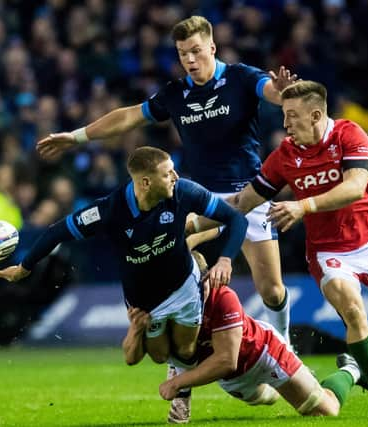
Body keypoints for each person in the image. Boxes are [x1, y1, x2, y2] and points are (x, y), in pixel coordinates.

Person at [36, 15, 296, 343]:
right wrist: (75, 138)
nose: (189, 59)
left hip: (250, 194)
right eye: (182, 53)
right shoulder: (175, 94)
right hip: (200, 198)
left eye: (196, 51)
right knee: (172, 254)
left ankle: (285, 344)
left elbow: (270, 89)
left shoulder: (240, 78)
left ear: (212, 48)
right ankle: (178, 358)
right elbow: (128, 116)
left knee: (272, 290)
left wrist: (284, 91)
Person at [194, 80, 368, 417]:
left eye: (292, 116)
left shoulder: (349, 135)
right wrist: (194, 225)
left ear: (315, 115)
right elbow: (242, 201)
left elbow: (355, 187)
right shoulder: (285, 155)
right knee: (353, 312)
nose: (285, 124)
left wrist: (303, 207)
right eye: (283, 115)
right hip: (329, 253)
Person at [0, 146, 248, 365]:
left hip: (182, 282)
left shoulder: (184, 191)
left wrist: (225, 260)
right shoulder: (109, 210)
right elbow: (57, 231)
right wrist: (24, 267)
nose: (175, 177)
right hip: (144, 296)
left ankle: (191, 239)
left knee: (186, 351)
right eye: (167, 173)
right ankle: (190, 233)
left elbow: (235, 218)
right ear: (145, 182)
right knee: (158, 356)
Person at [125, 251, 368, 423]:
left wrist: (178, 383)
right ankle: (302, 378)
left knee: (324, 410)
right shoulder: (168, 305)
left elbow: (226, 360)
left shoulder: (222, 297)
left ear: (203, 280)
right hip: (232, 380)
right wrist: (136, 331)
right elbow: (133, 357)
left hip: (264, 354)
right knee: (270, 398)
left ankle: (351, 370)